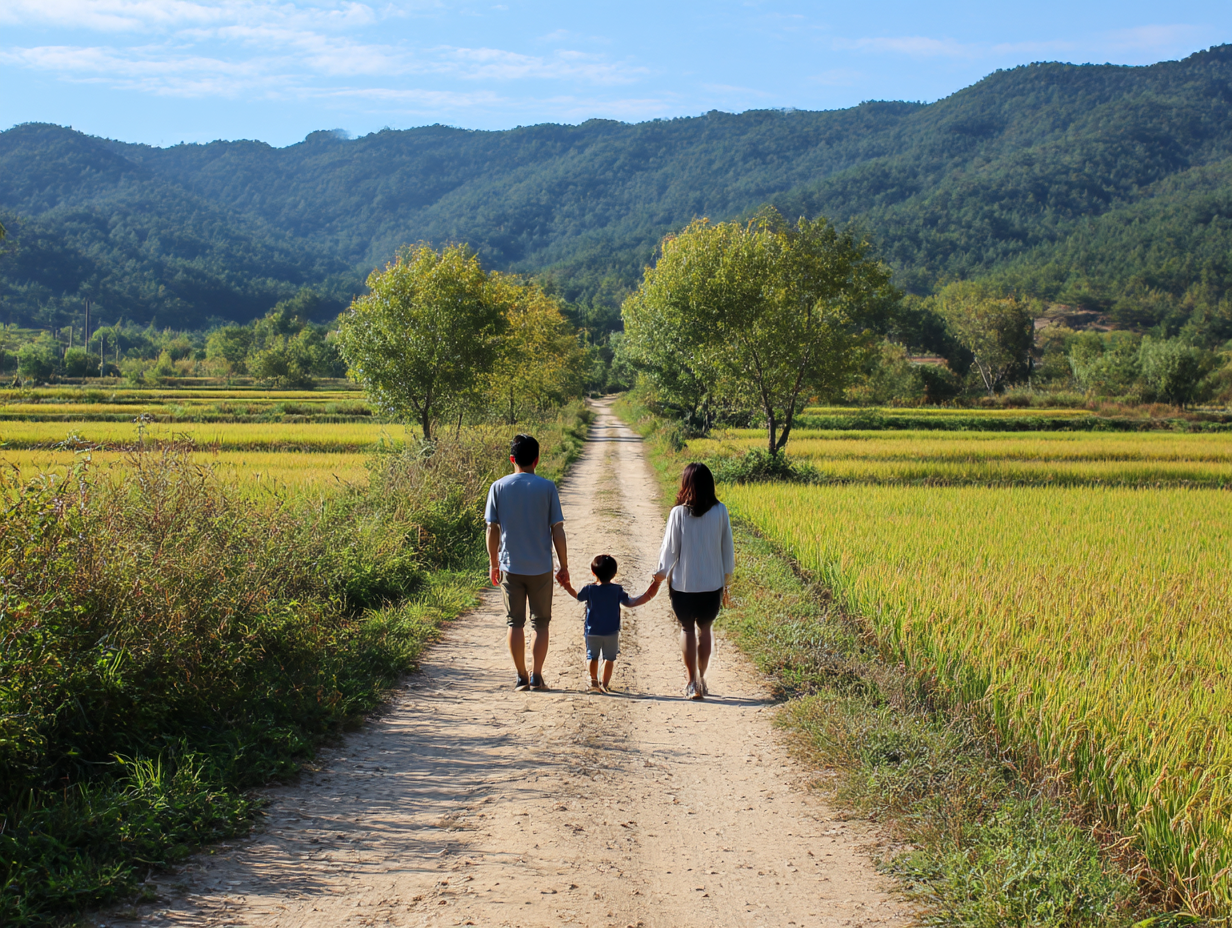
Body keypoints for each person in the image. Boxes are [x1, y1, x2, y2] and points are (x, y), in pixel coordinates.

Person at [485, 434, 569, 691]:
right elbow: (557, 530)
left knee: (515, 623)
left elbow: (492, 529)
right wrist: (563, 566)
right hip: (541, 568)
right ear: (537, 459)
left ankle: (521, 675)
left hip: (510, 566)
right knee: (540, 624)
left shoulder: (498, 487)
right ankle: (537, 676)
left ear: (512, 459)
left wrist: (493, 563)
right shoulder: (547, 487)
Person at [654, 462, 734, 700]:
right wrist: (726, 578)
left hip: (683, 585)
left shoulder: (678, 513)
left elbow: (669, 550)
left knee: (687, 629)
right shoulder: (721, 511)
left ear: (686, 484)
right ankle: (702, 678)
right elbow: (727, 548)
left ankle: (691, 683)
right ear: (710, 485)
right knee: (706, 629)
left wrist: (660, 574)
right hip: (712, 585)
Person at [558, 554, 661, 693]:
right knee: (609, 659)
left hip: (592, 631)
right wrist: (649, 594)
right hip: (611, 632)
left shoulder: (589, 589)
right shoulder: (616, 590)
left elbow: (577, 595)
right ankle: (605, 684)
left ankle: (594, 682)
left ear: (593, 572)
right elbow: (631, 602)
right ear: (614, 573)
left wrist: (566, 585)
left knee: (592, 657)